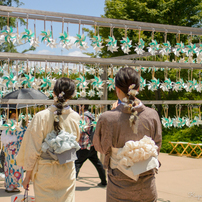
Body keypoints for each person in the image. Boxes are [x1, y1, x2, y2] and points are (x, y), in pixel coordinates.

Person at [93, 67, 162, 202]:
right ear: (139, 87)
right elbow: (157, 145)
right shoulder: (152, 114)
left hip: (119, 184)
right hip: (146, 183)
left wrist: (113, 114)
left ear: (117, 88)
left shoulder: (107, 117)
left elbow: (100, 147)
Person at [16, 77, 81, 202]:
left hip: (45, 171)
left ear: (54, 93)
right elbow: (75, 141)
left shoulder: (41, 117)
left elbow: (32, 148)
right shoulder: (75, 117)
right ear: (72, 95)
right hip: (66, 169)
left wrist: (27, 175)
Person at [75, 99, 107, 187]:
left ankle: (71, 183)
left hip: (84, 144)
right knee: (97, 163)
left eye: (78, 105)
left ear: (82, 106)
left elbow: (81, 130)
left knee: (77, 163)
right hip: (92, 144)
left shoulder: (83, 117)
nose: (77, 107)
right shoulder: (92, 116)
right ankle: (104, 181)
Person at [1, 109, 26, 193]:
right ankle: (12, 186)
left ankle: (10, 185)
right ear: (15, 114)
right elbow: (20, 135)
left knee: (9, 166)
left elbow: (4, 137)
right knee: (15, 166)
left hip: (9, 148)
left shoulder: (8, 123)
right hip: (15, 148)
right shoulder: (15, 124)